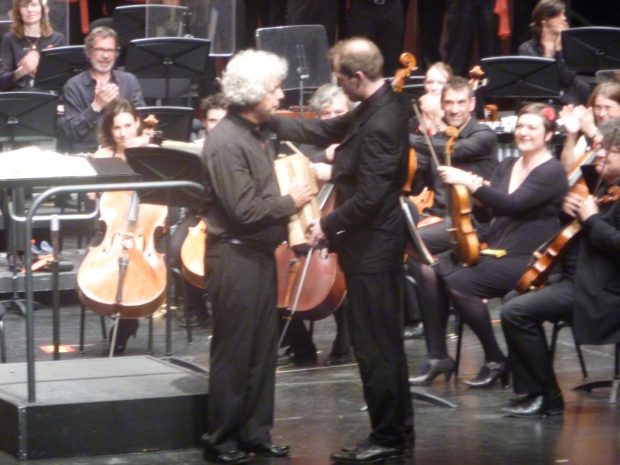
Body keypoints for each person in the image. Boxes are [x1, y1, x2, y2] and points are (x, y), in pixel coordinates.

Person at [268, 37, 414, 464]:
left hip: (374, 250)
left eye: (339, 78)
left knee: (376, 346)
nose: (336, 85)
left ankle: (388, 437)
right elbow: (323, 128)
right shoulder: (373, 106)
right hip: (367, 245)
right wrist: (269, 120)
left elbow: (371, 197)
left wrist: (325, 225)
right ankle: (396, 432)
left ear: (357, 77)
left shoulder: (385, 120)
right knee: (380, 344)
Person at [200, 49, 313, 465]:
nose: (280, 96)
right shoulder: (226, 141)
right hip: (234, 258)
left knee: (263, 349)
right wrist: (292, 201)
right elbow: (244, 210)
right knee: (235, 351)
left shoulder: (258, 133)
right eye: (274, 89)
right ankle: (222, 438)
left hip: (259, 256)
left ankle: (254, 432)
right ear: (251, 94)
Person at [409, 103, 568, 387]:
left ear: (548, 135)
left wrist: (472, 185)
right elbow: (491, 213)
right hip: (498, 246)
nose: (523, 132)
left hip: (529, 258)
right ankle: (438, 356)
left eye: (532, 127)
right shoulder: (506, 165)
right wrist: (477, 197)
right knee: (429, 270)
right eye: (520, 126)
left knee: (459, 282)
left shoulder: (552, 171)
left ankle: (495, 357)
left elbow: (513, 204)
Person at [500, 117, 620, 417]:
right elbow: (576, 235)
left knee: (516, 312)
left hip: (602, 289)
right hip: (575, 277)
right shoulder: (601, 182)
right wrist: (568, 214)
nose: (600, 154)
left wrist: (591, 218)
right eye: (599, 147)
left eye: (609, 149)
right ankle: (536, 391)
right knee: (512, 300)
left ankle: (548, 398)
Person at [278, 83, 354, 367]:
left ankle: (345, 336)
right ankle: (298, 342)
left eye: (339, 111)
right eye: (326, 113)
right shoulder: (312, 141)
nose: (332, 117)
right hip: (309, 217)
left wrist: (336, 170)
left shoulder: (359, 138)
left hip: (346, 218)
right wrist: (323, 158)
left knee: (346, 256)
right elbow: (295, 163)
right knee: (276, 263)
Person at [409, 76, 498, 254]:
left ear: (472, 104)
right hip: (437, 216)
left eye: (460, 103)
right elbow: (417, 172)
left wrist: (404, 137)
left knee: (411, 239)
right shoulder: (437, 140)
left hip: (470, 222)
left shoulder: (484, 135)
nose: (454, 109)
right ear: (442, 106)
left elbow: (456, 149)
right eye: (449, 103)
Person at [61, 26, 145, 153]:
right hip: (88, 153)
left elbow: (141, 122)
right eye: (100, 50)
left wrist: (118, 106)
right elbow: (69, 134)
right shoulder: (73, 86)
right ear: (89, 52)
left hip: (125, 152)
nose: (105, 56)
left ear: (116, 54)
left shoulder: (129, 81)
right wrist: (96, 106)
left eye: (110, 50)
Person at [518, 0, 590, 105]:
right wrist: (548, 52)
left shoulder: (568, 48)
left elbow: (567, 80)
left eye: (564, 14)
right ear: (544, 19)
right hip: (537, 103)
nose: (564, 18)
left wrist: (559, 50)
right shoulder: (527, 48)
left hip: (564, 102)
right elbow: (540, 85)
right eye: (559, 14)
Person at [0, 0, 65, 91]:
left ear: (42, 9)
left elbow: (62, 79)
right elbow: (2, 82)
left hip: (48, 97)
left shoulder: (57, 39)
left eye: (34, 5)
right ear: (18, 11)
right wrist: (23, 70)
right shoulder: (9, 39)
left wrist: (39, 71)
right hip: (19, 97)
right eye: (24, 6)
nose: (29, 10)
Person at [560, 81, 620, 171]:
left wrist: (593, 132)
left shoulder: (593, 132)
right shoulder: (588, 138)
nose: (602, 114)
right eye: (598, 107)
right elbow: (567, 169)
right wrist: (572, 134)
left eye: (608, 107)